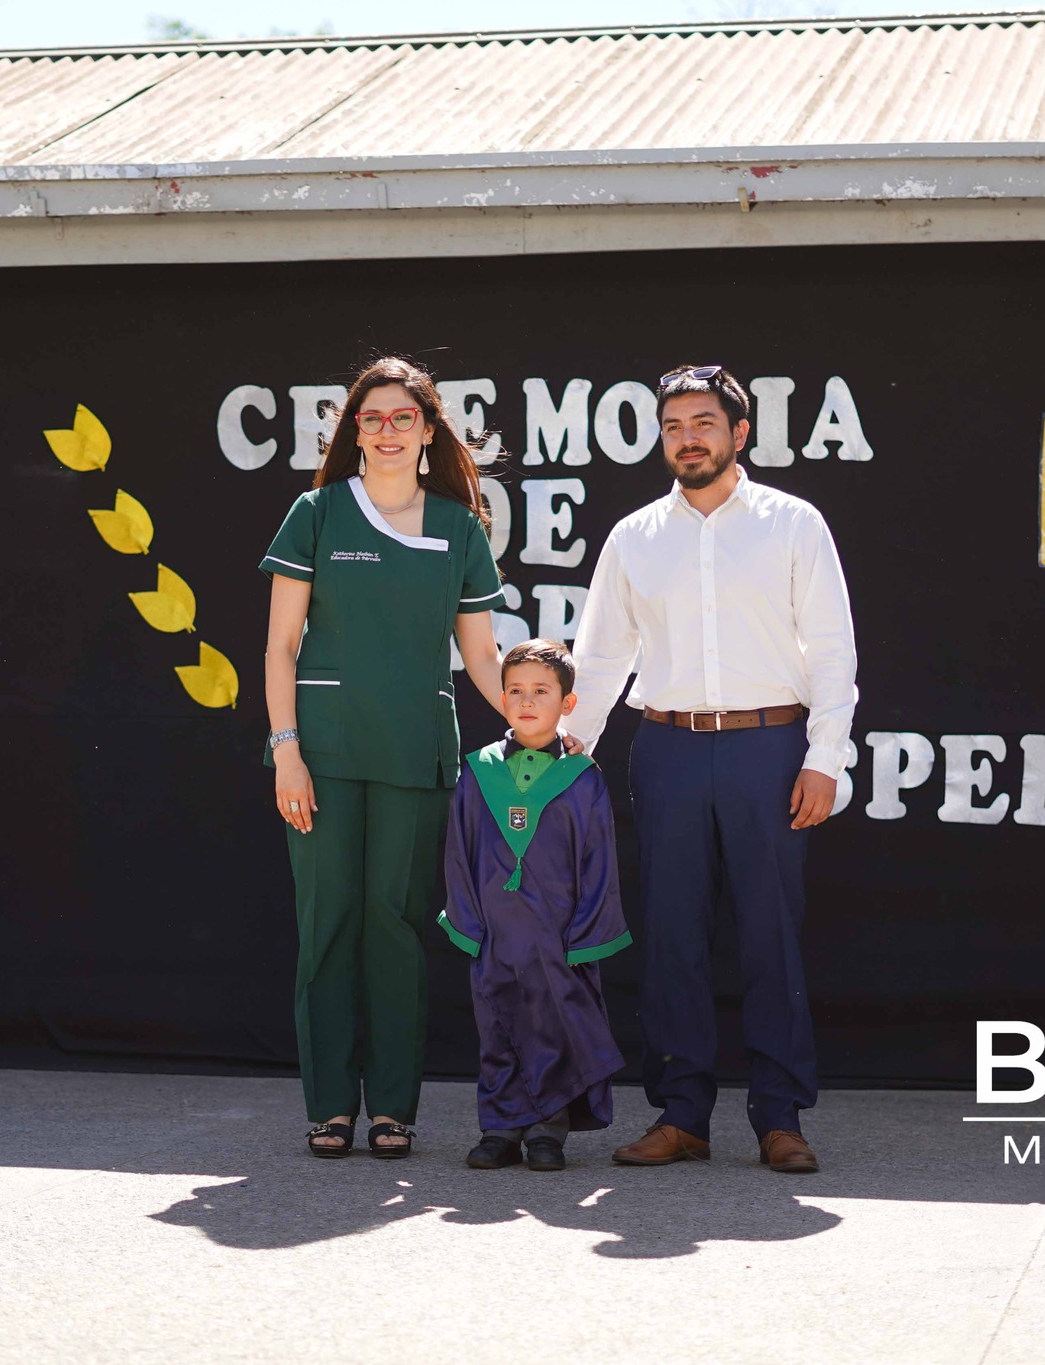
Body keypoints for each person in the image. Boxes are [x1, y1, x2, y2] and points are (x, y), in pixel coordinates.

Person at [563, 363, 858, 1175]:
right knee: (672, 936)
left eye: (703, 423)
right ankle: (681, 1114)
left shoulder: (793, 523)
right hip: (669, 750)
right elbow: (601, 658)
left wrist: (825, 758)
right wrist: (561, 760)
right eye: (674, 427)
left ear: (740, 432)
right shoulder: (634, 536)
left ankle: (780, 1117)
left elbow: (832, 649)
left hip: (771, 746)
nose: (687, 439)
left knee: (770, 934)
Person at [260, 356, 509, 1160]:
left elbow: (481, 656)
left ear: (429, 430)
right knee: (328, 923)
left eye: (405, 417)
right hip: (322, 754)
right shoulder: (317, 513)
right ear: (355, 432)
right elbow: (280, 646)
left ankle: (393, 1108)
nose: (389, 430)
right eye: (373, 418)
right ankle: (331, 1106)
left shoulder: (459, 528)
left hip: (414, 753)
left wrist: (535, 717)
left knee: (395, 926)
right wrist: (286, 752)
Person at [438, 639, 631, 1173]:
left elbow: (599, 860)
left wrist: (587, 935)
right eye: (516, 690)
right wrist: (468, 923)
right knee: (498, 1027)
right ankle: (500, 1129)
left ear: (567, 703)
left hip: (558, 932)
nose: (527, 701)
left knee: (553, 1028)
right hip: (497, 931)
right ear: (501, 698)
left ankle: (548, 1129)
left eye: (541, 691)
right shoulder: (478, 772)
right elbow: (458, 852)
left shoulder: (583, 779)